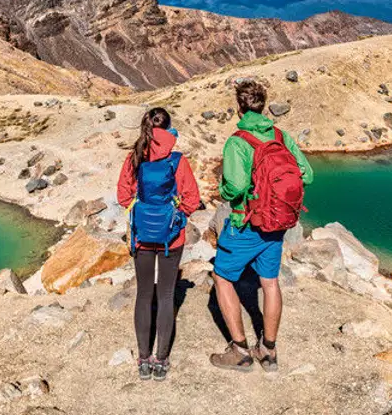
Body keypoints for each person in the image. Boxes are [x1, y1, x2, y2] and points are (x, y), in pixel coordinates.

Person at [210, 79, 312, 372]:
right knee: (269, 282)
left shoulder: (237, 141)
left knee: (222, 277)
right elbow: (307, 174)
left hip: (247, 223)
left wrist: (227, 190)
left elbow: (236, 187)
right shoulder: (280, 135)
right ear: (263, 104)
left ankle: (240, 351)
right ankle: (268, 351)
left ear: (239, 107)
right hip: (278, 224)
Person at [116, 106, 200, 381]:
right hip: (171, 238)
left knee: (143, 294)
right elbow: (192, 198)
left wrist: (140, 210)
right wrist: (176, 217)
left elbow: (122, 195)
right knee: (165, 296)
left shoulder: (135, 157)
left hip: (142, 235)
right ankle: (161, 360)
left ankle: (143, 359)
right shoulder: (178, 160)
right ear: (169, 128)